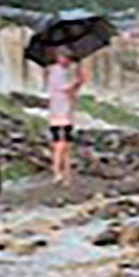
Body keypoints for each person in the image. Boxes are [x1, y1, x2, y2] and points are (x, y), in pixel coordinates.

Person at [46, 47, 82, 186]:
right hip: (57, 111)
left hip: (66, 111)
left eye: (68, 58)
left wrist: (77, 85)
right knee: (59, 144)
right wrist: (78, 82)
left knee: (67, 145)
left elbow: (71, 93)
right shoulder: (55, 71)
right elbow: (65, 89)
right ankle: (56, 171)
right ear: (58, 57)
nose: (66, 61)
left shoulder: (66, 72)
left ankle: (66, 175)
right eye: (65, 58)